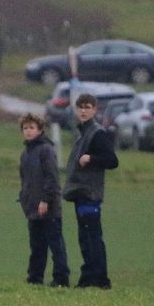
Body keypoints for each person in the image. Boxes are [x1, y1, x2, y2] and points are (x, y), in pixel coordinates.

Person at [62, 93, 120, 289]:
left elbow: (112, 160)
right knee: (85, 237)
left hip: (90, 193)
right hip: (80, 192)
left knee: (92, 237)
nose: (84, 111)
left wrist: (91, 159)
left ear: (95, 110)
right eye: (80, 107)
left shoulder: (97, 133)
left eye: (87, 107)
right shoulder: (82, 132)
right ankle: (90, 277)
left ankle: (99, 278)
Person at [17, 112, 69, 287]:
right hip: (32, 206)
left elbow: (52, 178)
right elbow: (25, 180)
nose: (28, 131)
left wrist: (46, 200)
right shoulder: (25, 153)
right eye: (25, 128)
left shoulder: (46, 150)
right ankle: (35, 276)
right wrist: (24, 198)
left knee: (55, 243)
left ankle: (61, 278)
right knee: (36, 244)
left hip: (49, 206)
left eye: (32, 127)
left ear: (40, 130)